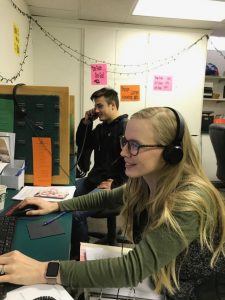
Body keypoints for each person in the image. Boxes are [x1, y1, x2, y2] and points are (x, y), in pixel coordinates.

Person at [0, 106, 225, 300]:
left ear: (171, 153)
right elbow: (107, 196)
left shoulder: (189, 201)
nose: (123, 151)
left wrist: (43, 270)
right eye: (125, 142)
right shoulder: (146, 183)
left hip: (190, 291)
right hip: (160, 276)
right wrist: (57, 205)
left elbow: (132, 269)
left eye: (135, 145)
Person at [72, 87, 128, 258]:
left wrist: (117, 183)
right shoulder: (102, 128)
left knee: (76, 214)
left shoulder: (125, 128)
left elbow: (132, 161)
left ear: (112, 105)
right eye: (95, 107)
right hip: (94, 180)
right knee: (66, 192)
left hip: (112, 185)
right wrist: (86, 122)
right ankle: (74, 241)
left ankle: (79, 256)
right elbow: (83, 144)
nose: (96, 110)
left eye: (100, 106)